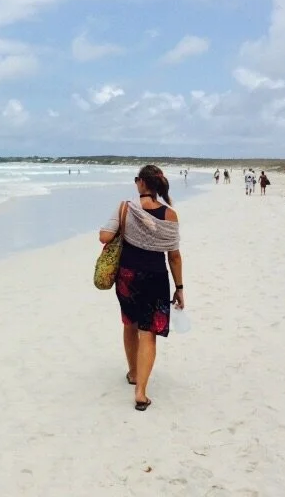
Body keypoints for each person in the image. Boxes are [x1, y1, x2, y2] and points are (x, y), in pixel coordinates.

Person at [98, 165, 183, 412]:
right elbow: (174, 256)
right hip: (155, 278)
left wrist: (122, 233)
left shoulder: (126, 207)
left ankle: (133, 373)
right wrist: (179, 288)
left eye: (137, 180)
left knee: (129, 323)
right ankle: (141, 391)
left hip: (127, 276)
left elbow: (105, 236)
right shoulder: (170, 215)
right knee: (149, 333)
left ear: (142, 183)